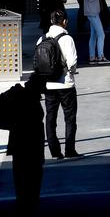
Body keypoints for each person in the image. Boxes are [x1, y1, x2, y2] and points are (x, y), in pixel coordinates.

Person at [37, 9, 81, 159]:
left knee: (50, 118)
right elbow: (72, 61)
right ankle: (70, 151)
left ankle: (55, 153)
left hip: (48, 85)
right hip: (65, 85)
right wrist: (70, 72)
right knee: (70, 118)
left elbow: (38, 63)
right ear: (65, 21)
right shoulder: (67, 38)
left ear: (50, 21)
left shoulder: (42, 39)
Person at [6, 73, 47, 214]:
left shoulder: (20, 95)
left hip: (18, 144)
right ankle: (30, 202)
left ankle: (23, 202)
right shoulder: (29, 99)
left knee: (21, 177)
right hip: (31, 145)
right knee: (32, 176)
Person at [84, 0, 110, 64]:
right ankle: (101, 57)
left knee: (94, 35)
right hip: (93, 13)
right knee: (101, 35)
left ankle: (92, 57)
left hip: (92, 12)